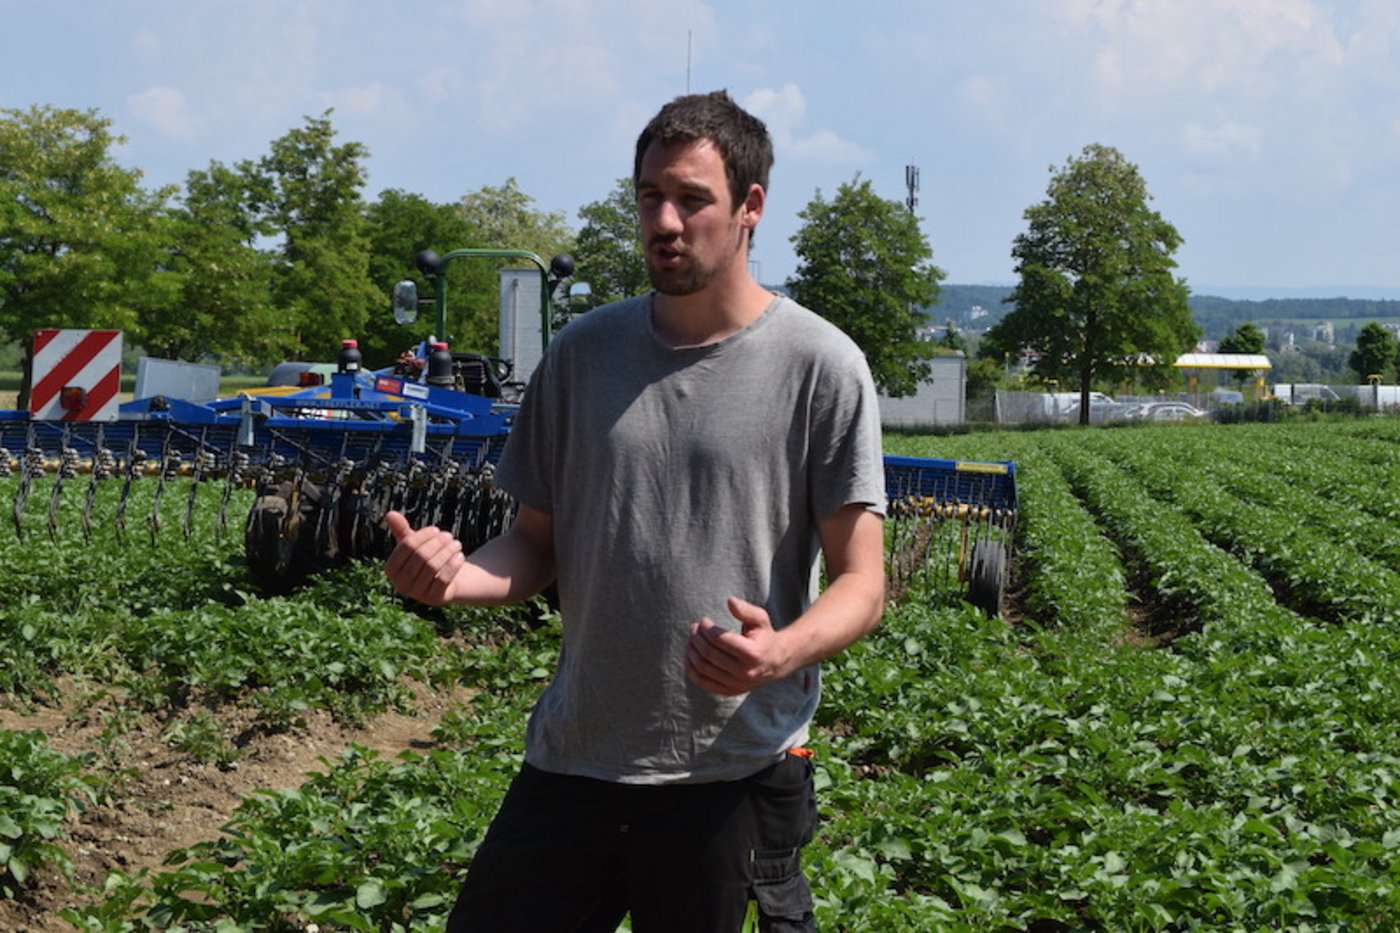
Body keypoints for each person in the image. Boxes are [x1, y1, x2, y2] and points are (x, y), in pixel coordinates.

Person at [385, 89, 886, 932]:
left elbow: (862, 580)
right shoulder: (583, 356)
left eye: (692, 199)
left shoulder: (819, 365)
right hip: (576, 759)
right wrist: (456, 578)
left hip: (728, 774)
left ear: (750, 208)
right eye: (650, 196)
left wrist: (778, 652)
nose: (665, 219)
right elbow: (534, 545)